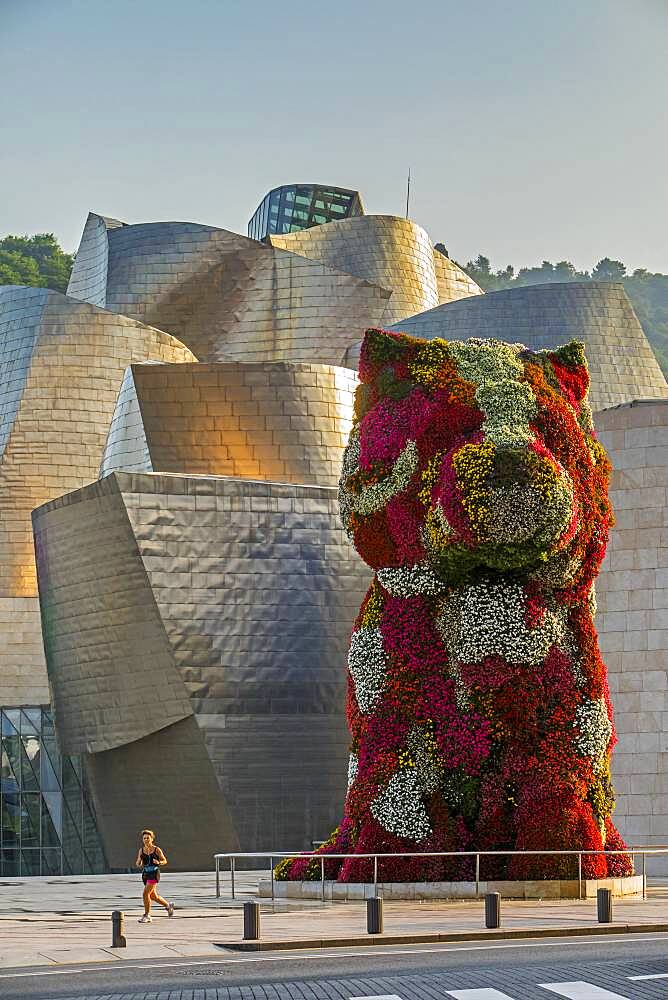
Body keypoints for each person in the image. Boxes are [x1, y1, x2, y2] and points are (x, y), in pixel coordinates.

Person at [135, 829, 174, 922]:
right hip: (145, 874)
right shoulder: (141, 850)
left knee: (145, 894)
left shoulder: (157, 849)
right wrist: (138, 863)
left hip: (154, 873)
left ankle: (147, 915)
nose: (146, 840)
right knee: (153, 896)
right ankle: (168, 906)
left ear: (152, 839)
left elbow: (165, 860)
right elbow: (138, 861)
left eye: (148, 838)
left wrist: (159, 862)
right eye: (144, 838)